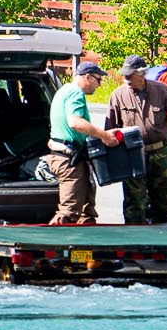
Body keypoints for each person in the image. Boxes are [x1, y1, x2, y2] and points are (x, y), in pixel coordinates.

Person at [105, 54, 167, 224]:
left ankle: (163, 238)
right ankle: (135, 240)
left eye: (130, 74)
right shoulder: (117, 95)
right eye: (124, 75)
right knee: (134, 201)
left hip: (160, 153)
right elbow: (110, 130)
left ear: (142, 73)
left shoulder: (161, 90)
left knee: (163, 200)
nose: (126, 78)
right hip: (132, 154)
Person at [44, 61, 122, 225]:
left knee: (86, 211)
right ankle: (53, 245)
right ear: (87, 77)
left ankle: (86, 239)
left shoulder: (63, 91)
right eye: (98, 80)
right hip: (68, 159)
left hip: (69, 156)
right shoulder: (75, 93)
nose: (99, 85)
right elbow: (75, 122)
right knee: (69, 211)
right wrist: (103, 135)